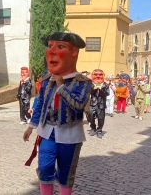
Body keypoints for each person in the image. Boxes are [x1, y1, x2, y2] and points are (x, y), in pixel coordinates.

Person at [23, 32, 91, 195]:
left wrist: (61, 86)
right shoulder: (46, 79)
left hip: (70, 135)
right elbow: (40, 103)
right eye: (50, 46)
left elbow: (79, 105)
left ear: (74, 52)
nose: (52, 51)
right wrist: (31, 126)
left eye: (60, 47)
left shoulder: (83, 82)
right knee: (45, 168)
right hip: (47, 133)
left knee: (66, 173)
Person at [88, 69, 109, 138]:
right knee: (90, 116)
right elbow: (88, 93)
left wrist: (101, 89)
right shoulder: (90, 84)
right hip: (92, 103)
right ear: (92, 76)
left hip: (101, 104)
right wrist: (93, 89)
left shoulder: (105, 85)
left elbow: (107, 93)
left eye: (100, 75)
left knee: (101, 118)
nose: (98, 76)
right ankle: (93, 128)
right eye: (95, 75)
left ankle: (99, 130)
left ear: (103, 76)